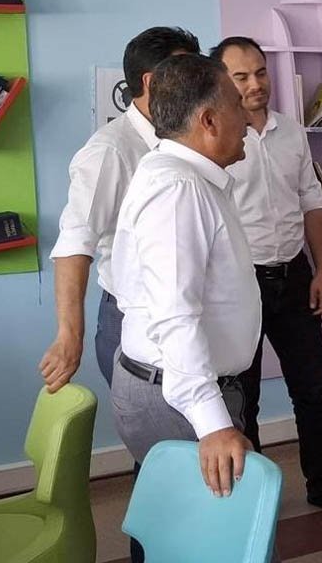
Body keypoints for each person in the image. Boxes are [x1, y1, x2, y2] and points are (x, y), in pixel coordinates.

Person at [108, 53, 260, 562]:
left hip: (171, 387)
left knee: (195, 541)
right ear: (209, 120)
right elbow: (175, 316)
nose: (249, 116)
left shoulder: (184, 178)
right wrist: (213, 423)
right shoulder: (178, 188)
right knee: (216, 546)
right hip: (176, 395)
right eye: (237, 103)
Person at [210, 36, 322, 519]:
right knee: (244, 400)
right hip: (241, 283)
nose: (255, 84)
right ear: (221, 82)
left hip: (295, 275)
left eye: (260, 72)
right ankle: (252, 501)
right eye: (241, 76)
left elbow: (311, 200)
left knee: (312, 392)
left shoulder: (291, 131)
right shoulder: (215, 138)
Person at [40, 27, 201, 392]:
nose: (197, 82)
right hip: (130, 314)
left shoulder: (186, 138)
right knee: (152, 421)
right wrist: (69, 336)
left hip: (182, 310)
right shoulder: (111, 150)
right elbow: (74, 243)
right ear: (150, 81)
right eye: (185, 72)